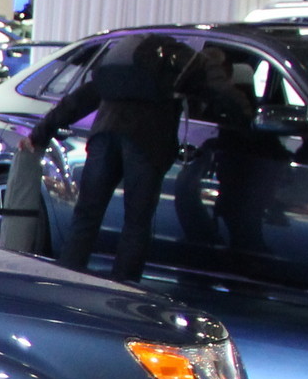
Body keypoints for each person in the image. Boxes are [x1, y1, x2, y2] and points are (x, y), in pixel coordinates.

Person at [21, 31, 198, 284]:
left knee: (87, 214)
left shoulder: (120, 73)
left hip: (104, 136)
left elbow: (79, 100)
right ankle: (123, 286)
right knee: (137, 221)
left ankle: (65, 279)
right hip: (146, 143)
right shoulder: (178, 69)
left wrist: (39, 134)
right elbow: (218, 93)